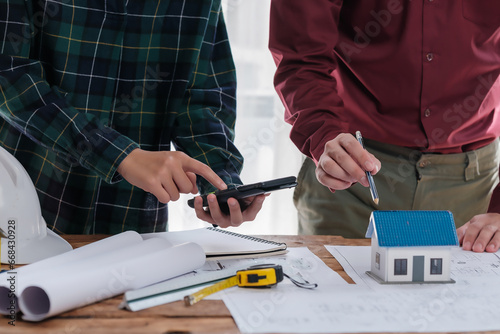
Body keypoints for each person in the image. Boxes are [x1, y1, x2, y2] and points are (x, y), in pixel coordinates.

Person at [0, 0, 265, 234]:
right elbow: (9, 77)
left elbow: (202, 97)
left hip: (137, 227)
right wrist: (121, 156)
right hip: (25, 208)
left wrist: (221, 183)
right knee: (15, 290)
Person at [269, 0, 500, 251]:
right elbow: (301, 54)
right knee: (336, 288)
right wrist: (324, 134)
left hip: (474, 188)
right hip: (352, 176)